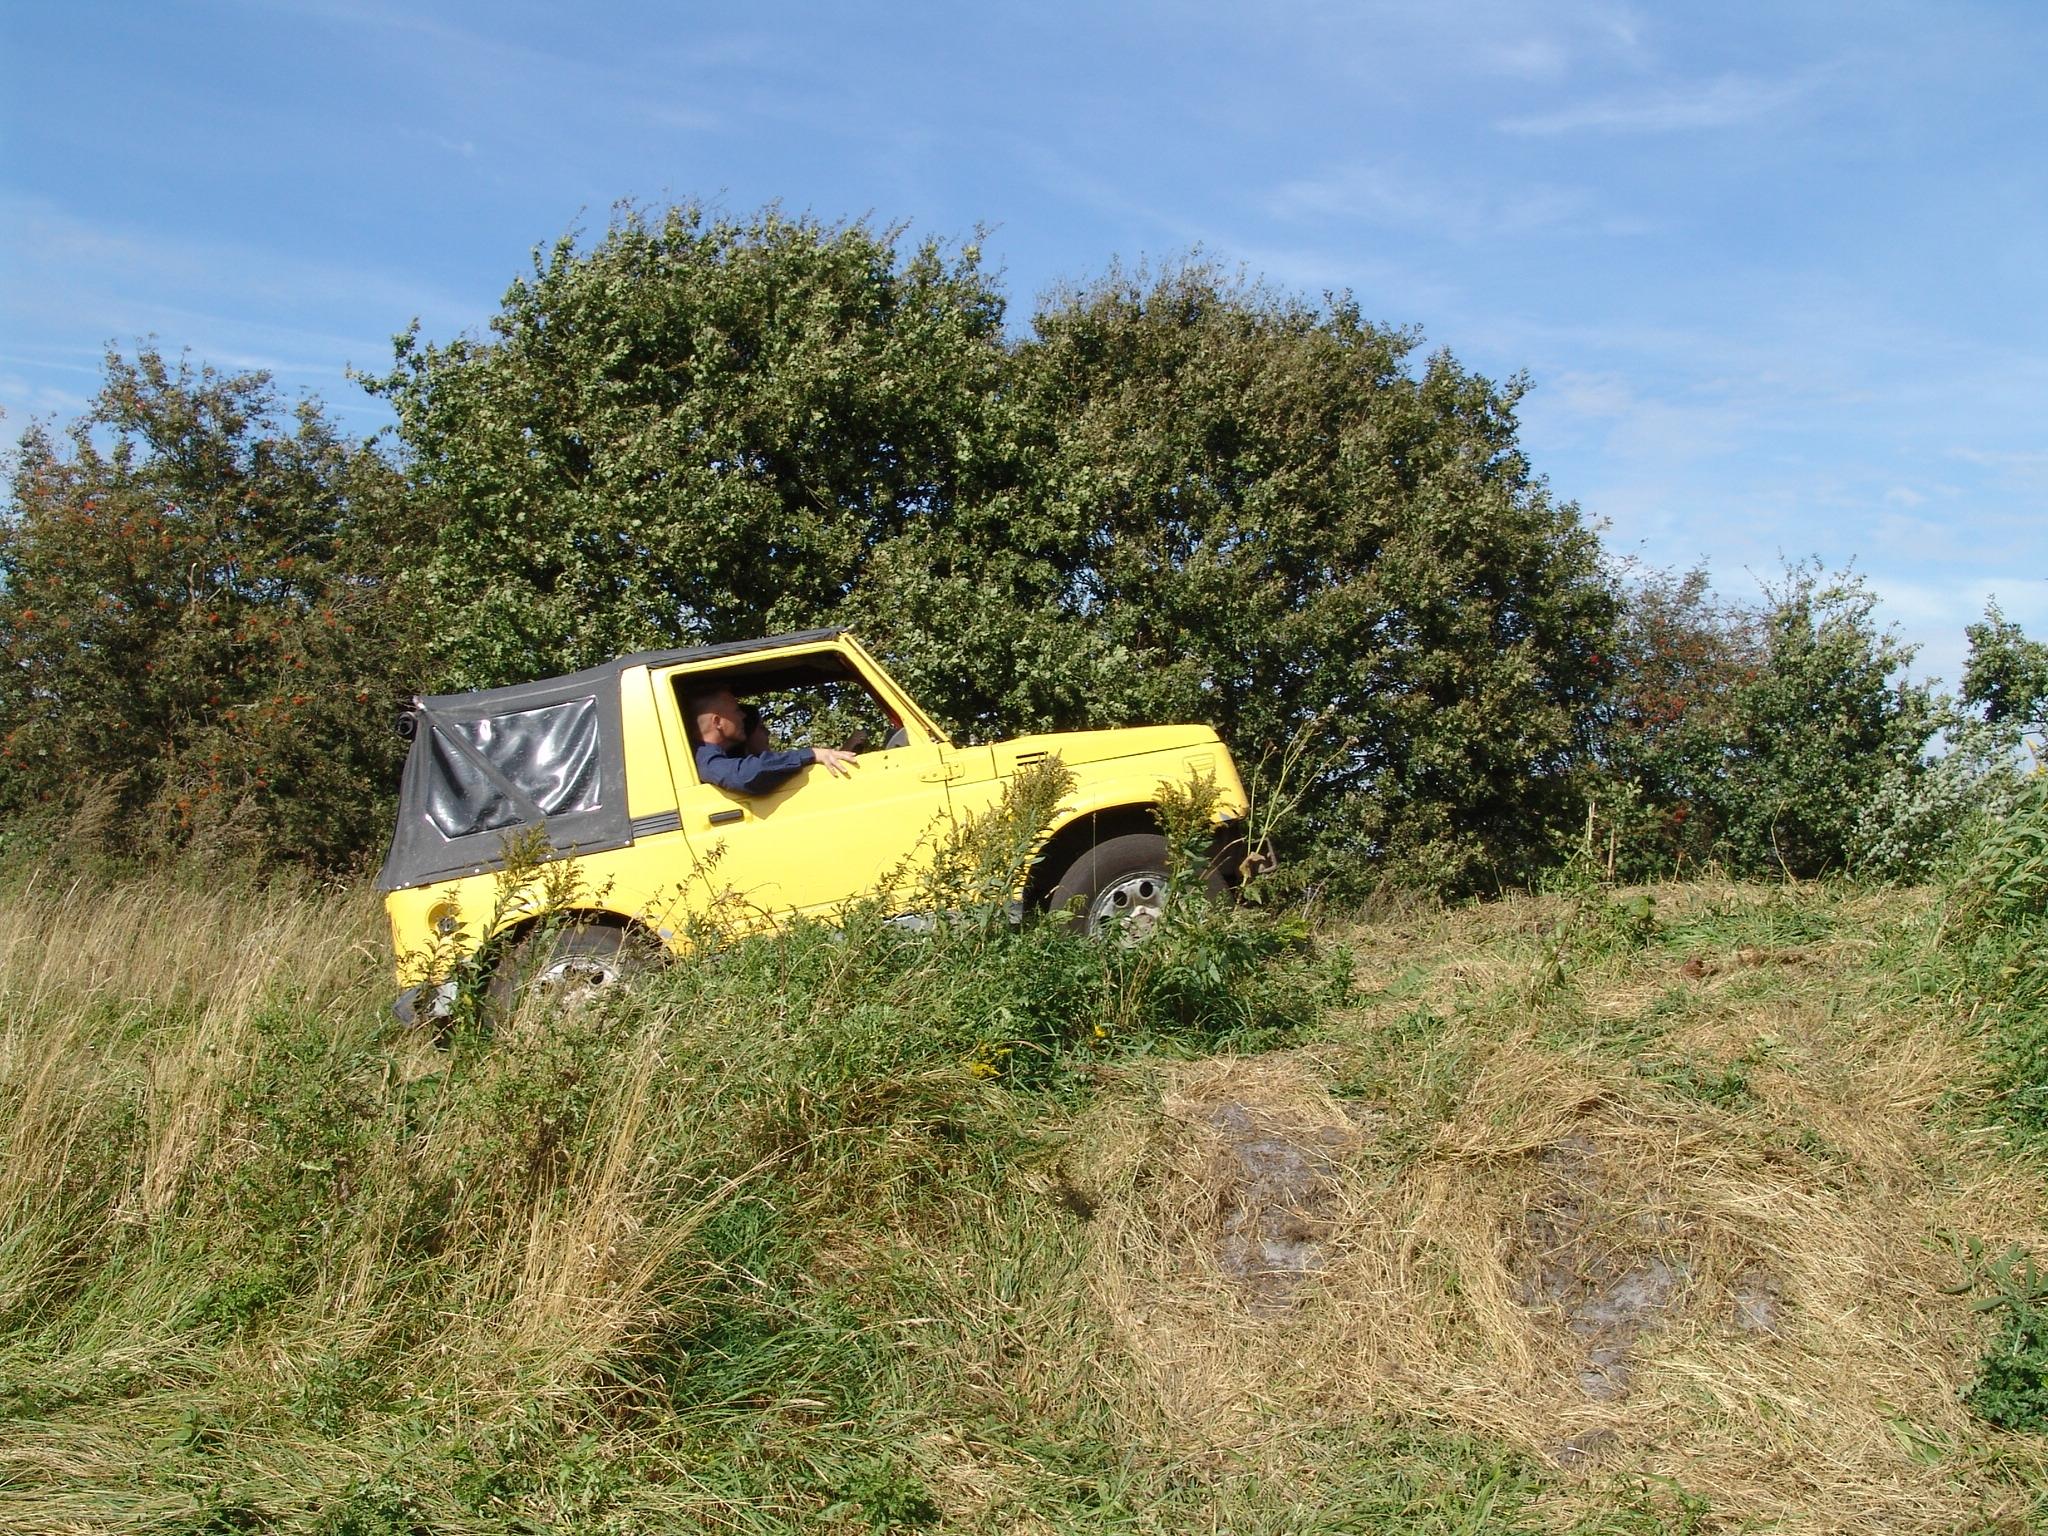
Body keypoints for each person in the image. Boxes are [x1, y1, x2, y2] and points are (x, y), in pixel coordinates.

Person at [687, 683, 856, 795]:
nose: (743, 716)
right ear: (718, 722)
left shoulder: (711, 755)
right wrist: (810, 754)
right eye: (736, 711)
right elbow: (744, 776)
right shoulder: (703, 758)